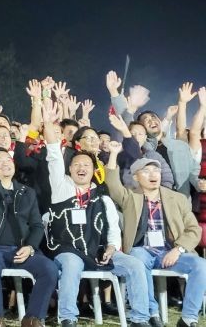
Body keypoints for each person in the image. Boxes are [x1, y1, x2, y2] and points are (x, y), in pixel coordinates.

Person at [42, 111, 151, 327]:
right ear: (69, 169)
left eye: (86, 166)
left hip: (97, 251)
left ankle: (140, 318)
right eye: (77, 165)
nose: (81, 168)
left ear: (93, 170)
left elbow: (112, 228)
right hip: (68, 250)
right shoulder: (61, 187)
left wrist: (112, 247)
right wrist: (47, 122)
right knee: (72, 264)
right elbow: (53, 154)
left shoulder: (102, 197)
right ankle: (67, 318)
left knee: (135, 264)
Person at [0, 95, 56, 327]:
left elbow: (37, 225)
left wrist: (30, 246)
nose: (6, 162)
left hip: (22, 250)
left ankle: (32, 317)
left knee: (49, 268)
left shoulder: (26, 192)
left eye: (8, 159)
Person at [104, 142, 206, 327]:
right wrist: (113, 153)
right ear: (136, 177)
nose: (153, 175)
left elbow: (194, 229)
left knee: (200, 264)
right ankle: (150, 313)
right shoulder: (130, 197)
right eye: (146, 171)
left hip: (169, 252)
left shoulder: (177, 198)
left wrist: (178, 249)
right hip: (142, 251)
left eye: (156, 171)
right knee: (137, 257)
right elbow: (112, 183)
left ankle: (189, 317)